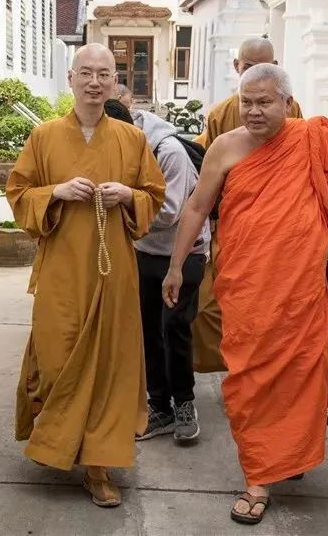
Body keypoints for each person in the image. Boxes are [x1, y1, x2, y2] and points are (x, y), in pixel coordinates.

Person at [163, 64, 328, 525]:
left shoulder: (314, 137)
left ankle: (283, 457)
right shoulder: (225, 147)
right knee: (252, 380)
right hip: (248, 287)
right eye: (246, 102)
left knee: (298, 375)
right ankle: (259, 472)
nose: (253, 111)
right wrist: (176, 265)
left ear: (287, 104)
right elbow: (197, 206)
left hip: (301, 286)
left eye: (264, 102)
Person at [6, 43, 165, 508]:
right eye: (86, 74)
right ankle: (60, 441)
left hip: (112, 270)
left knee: (108, 368)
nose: (95, 82)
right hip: (60, 269)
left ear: (116, 83)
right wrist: (55, 191)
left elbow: (154, 197)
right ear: (71, 79)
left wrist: (128, 196)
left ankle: (98, 466)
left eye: (105, 75)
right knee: (56, 359)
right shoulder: (45, 136)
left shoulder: (132, 140)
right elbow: (19, 194)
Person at [193, 37, 304, 373]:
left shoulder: (292, 111)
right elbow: (208, 170)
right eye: (248, 66)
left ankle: (265, 371)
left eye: (263, 65)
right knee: (218, 303)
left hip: (283, 230)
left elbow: (304, 161)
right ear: (236, 67)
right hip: (233, 227)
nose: (255, 72)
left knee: (275, 309)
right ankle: (236, 366)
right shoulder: (221, 115)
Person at [103, 99, 210, 443]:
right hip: (146, 251)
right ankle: (160, 406)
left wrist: (123, 198)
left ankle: (185, 404)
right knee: (148, 329)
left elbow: (169, 213)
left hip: (186, 252)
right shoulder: (115, 148)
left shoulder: (169, 153)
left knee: (174, 325)